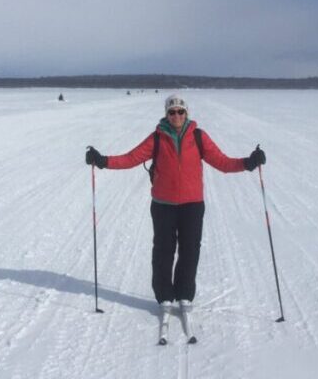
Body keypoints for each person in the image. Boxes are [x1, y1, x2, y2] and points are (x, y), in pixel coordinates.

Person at [85, 94, 265, 313]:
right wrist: (103, 161)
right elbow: (131, 158)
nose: (176, 116)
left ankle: (184, 295)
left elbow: (222, 162)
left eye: (180, 111)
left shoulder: (198, 136)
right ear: (166, 114)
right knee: (163, 251)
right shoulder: (157, 138)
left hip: (193, 204)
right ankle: (164, 297)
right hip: (163, 204)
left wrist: (248, 163)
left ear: (186, 113)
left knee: (190, 250)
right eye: (172, 112)